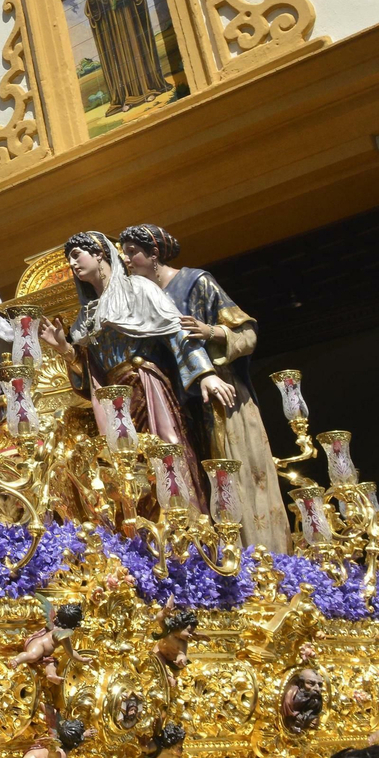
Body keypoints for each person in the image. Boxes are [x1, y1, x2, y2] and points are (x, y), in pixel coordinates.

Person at [120, 224, 290, 552]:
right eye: (123, 253)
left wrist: (210, 331)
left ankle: (260, 560)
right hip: (181, 406)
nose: (127, 260)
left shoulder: (195, 282)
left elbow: (249, 334)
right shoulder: (140, 299)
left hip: (224, 398)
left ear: (154, 254)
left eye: (132, 252)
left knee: (237, 476)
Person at [37, 231, 231, 512]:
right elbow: (90, 372)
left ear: (100, 252)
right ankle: (144, 537)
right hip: (112, 403)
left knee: (165, 456)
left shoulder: (138, 288)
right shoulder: (86, 316)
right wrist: (65, 349)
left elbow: (175, 331)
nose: (72, 263)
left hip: (147, 388)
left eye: (77, 255)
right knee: (127, 472)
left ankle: (186, 527)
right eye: (69, 259)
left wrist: (205, 373)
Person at [84, 0, 170, 115]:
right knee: (120, 59)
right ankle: (126, 98)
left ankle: (148, 90)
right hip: (112, 27)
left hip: (131, 20)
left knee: (137, 51)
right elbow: (94, 8)